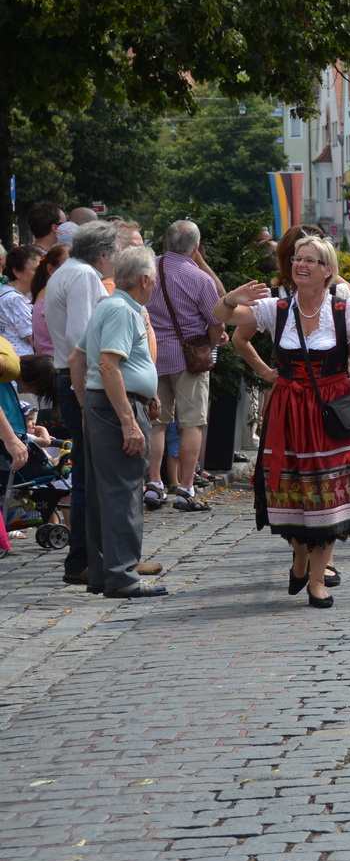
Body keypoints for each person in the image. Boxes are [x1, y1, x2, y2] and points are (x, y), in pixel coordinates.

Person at [214, 235, 350, 607]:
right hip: (289, 410)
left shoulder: (344, 307)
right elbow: (222, 318)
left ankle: (317, 580)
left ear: (327, 271)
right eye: (296, 259)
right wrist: (230, 298)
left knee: (328, 493)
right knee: (291, 489)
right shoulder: (277, 308)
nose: (300, 265)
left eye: (310, 260)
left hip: (331, 410)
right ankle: (301, 554)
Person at [66, 246, 165, 598]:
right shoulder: (122, 310)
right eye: (154, 278)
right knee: (122, 493)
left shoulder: (109, 305)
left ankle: (105, 573)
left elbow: (77, 358)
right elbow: (108, 365)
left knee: (103, 492)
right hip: (114, 408)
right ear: (144, 279)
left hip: (103, 406)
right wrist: (127, 420)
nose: (156, 284)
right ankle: (122, 576)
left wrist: (85, 406)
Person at [43, 222, 116, 588]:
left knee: (89, 473)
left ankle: (97, 558)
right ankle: (84, 560)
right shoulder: (85, 275)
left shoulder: (69, 271)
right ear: (103, 254)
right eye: (114, 253)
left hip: (70, 378)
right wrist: (90, 396)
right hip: (80, 383)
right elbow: (81, 338)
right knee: (90, 476)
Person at [143, 220, 224, 514]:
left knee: (157, 421)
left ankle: (153, 483)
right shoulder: (199, 277)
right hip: (189, 358)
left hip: (152, 354)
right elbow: (217, 321)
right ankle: (186, 488)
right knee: (191, 422)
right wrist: (212, 345)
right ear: (196, 247)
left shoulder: (147, 269)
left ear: (165, 242)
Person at [30, 245, 68, 357]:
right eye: (67, 265)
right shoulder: (51, 296)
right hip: (54, 362)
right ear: (51, 269)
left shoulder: (48, 292)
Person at [3, 245, 42, 351]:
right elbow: (35, 340)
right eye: (36, 270)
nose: (40, 275)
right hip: (21, 362)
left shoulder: (8, 294)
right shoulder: (15, 299)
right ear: (17, 271)